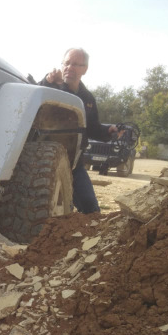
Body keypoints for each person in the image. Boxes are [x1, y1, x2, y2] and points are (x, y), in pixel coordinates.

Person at [40, 48, 117, 214]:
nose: (69, 67)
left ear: (85, 69)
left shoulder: (88, 98)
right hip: (42, 161)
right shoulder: (50, 87)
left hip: (74, 163)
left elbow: (92, 128)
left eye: (75, 64)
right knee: (42, 209)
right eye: (66, 63)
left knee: (91, 209)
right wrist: (47, 80)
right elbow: (31, 99)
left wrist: (109, 131)